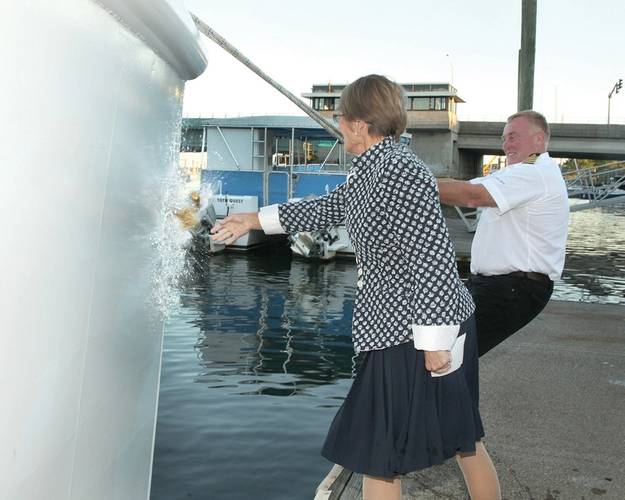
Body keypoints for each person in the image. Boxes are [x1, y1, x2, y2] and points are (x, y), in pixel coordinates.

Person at [212, 75, 500, 500]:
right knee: (460, 440)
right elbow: (329, 207)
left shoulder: (400, 169)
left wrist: (434, 341)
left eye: (342, 116)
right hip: (411, 327)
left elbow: (432, 254)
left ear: (362, 123)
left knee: (382, 454)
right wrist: (253, 220)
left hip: (412, 332)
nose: (338, 122)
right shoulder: (374, 168)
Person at [437, 111, 569, 357]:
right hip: (497, 286)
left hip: (512, 288)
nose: (506, 144)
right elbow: (466, 187)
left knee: (446, 356)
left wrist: (411, 185)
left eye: (514, 137)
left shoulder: (535, 172)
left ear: (539, 140)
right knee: (446, 355)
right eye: (504, 138)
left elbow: (472, 196)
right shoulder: (517, 172)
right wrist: (423, 181)